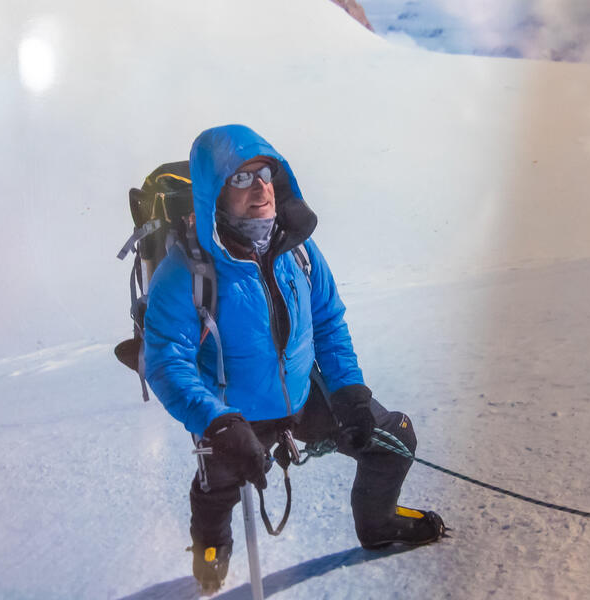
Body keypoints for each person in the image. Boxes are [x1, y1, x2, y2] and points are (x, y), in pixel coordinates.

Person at [144, 124, 444, 593]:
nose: (260, 187)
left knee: (394, 441)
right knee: (217, 489)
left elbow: (327, 322)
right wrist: (218, 423)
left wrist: (348, 391)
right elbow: (166, 361)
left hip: (304, 397)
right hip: (231, 416)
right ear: (214, 195)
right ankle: (211, 550)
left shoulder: (298, 249)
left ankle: (379, 524)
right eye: (240, 179)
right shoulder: (184, 274)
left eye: (264, 173)